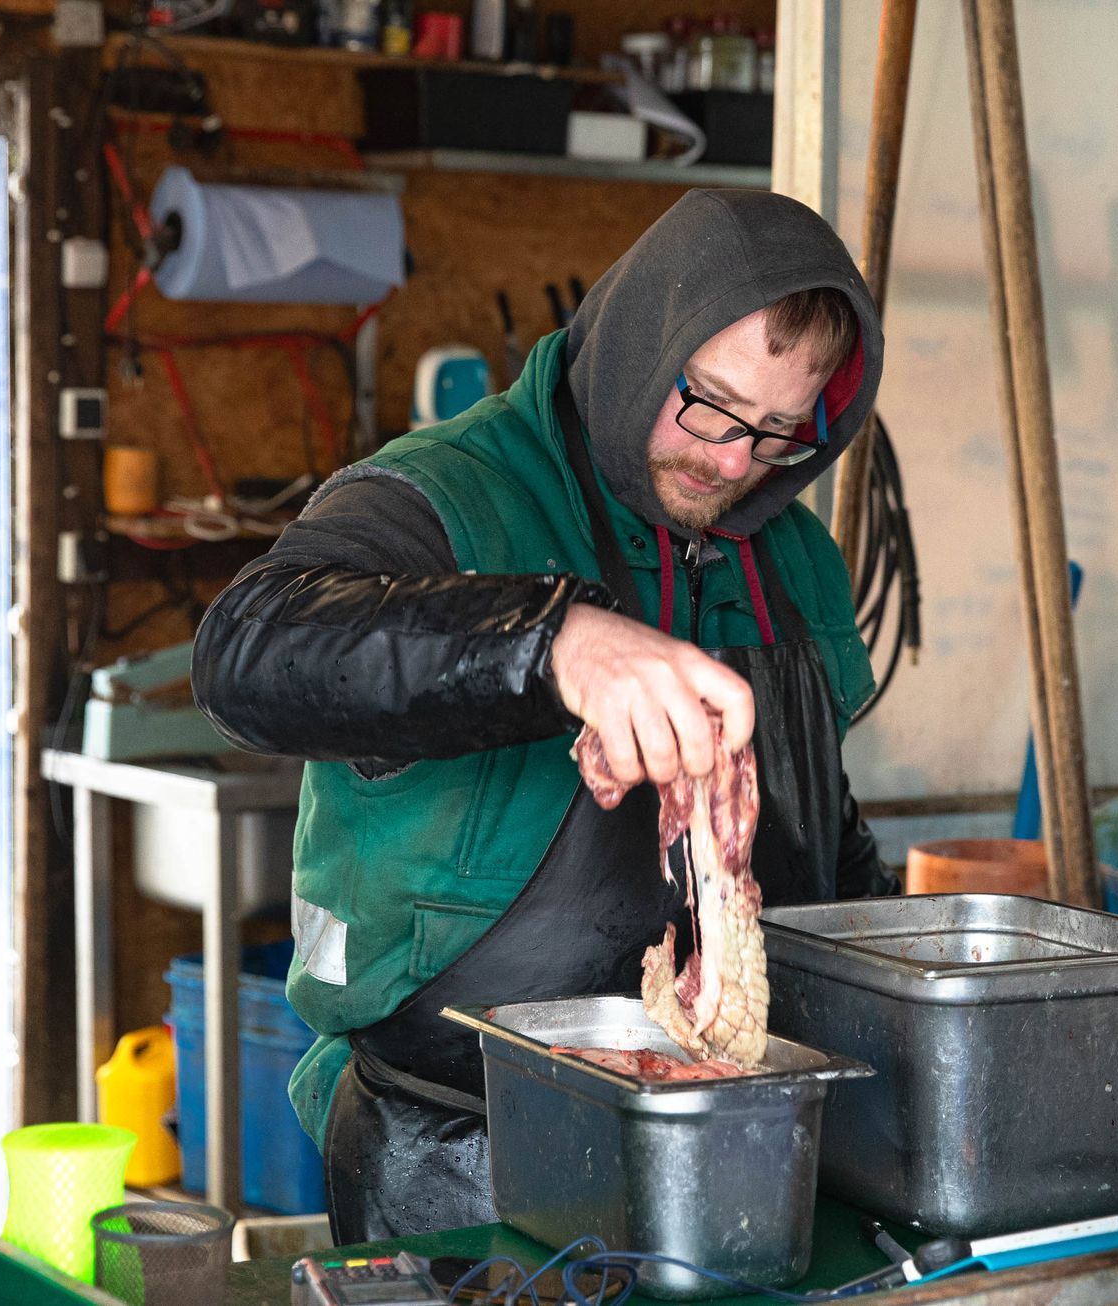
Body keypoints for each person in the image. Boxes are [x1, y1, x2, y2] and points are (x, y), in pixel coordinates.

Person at [192, 189, 894, 1244]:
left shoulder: (795, 561)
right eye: (705, 403)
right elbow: (249, 648)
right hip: (457, 1154)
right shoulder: (448, 493)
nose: (733, 460)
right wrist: (552, 640)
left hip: (738, 1144)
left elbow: (821, 830)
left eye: (778, 431)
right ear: (634, 344)